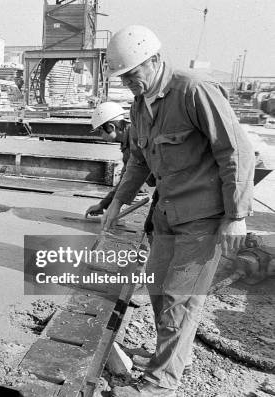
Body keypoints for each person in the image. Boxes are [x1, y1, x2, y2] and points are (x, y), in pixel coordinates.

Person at [101, 26, 254, 396]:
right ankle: (164, 357)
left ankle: (162, 383)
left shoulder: (194, 90)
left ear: (154, 60)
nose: (127, 84)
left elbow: (236, 151)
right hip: (168, 214)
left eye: (132, 75)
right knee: (156, 285)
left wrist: (236, 216)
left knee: (179, 299)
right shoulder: (140, 105)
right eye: (122, 78)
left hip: (204, 217)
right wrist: (117, 202)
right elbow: (138, 160)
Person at [85, 102, 158, 238]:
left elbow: (131, 177)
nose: (101, 136)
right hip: (164, 186)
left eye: (101, 131)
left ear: (111, 127)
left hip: (172, 187)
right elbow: (126, 178)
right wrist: (104, 204)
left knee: (153, 228)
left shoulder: (135, 140)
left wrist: (111, 205)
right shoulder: (128, 141)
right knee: (151, 227)